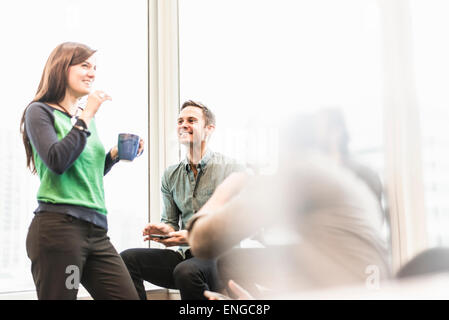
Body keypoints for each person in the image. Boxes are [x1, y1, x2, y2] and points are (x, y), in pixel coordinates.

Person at [187, 112, 392, 298]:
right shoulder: (351, 182)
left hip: (346, 288)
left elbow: (201, 241)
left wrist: (228, 188)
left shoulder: (304, 173)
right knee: (234, 262)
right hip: (370, 286)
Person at [21, 42, 143, 300]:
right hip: (61, 231)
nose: (92, 73)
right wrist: (86, 115)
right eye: (85, 65)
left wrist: (113, 156)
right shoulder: (39, 112)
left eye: (95, 67)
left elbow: (88, 173)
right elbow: (57, 160)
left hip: (96, 233)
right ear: (61, 67)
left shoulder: (85, 119)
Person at [120, 100, 246, 300]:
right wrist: (166, 230)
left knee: (186, 272)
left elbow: (238, 226)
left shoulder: (231, 169)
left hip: (221, 259)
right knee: (127, 259)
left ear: (209, 129)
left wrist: (192, 235)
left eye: (191, 120)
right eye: (180, 121)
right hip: (186, 257)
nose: (183, 125)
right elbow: (171, 222)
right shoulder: (170, 175)